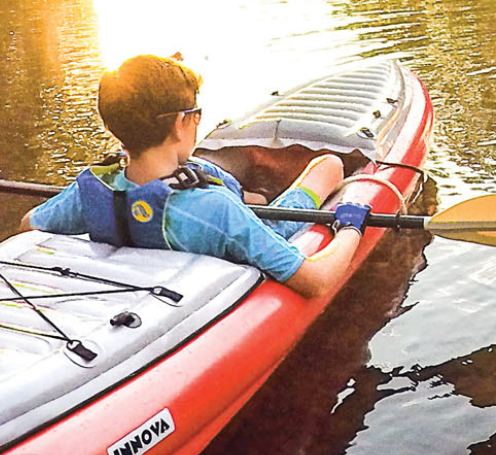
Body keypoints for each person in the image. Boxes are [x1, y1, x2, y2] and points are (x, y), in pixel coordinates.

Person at [19, 54, 370, 299]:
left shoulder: (95, 187)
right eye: (195, 113)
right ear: (178, 123)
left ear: (113, 126)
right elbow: (318, 281)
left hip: (193, 225)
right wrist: (351, 225)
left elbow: (29, 226)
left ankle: (258, 198)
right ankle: (264, 200)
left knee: (241, 193)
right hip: (240, 232)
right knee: (330, 167)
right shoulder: (213, 209)